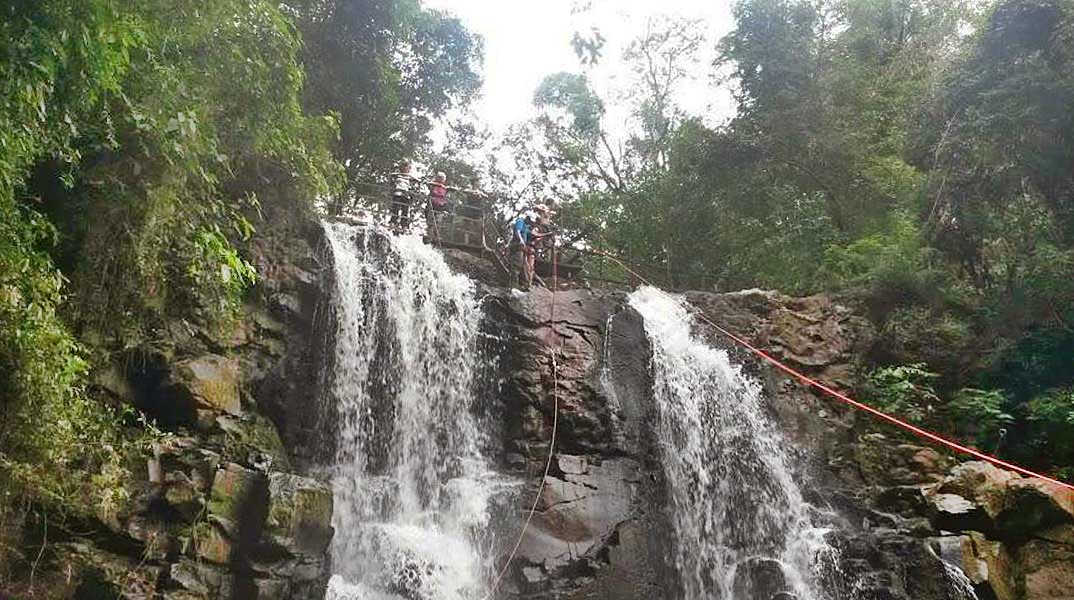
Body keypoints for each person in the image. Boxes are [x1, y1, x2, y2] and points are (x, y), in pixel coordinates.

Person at [390, 161, 417, 231]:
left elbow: (415, 181)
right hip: (398, 193)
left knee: (405, 210)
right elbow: (392, 176)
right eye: (404, 166)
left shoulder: (409, 177)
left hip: (405, 194)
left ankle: (404, 225)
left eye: (407, 167)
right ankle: (393, 222)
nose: (406, 168)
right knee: (395, 208)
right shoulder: (398, 175)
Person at [425, 172, 450, 239]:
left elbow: (445, 196)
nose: (440, 179)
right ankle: (429, 235)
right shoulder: (433, 184)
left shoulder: (444, 187)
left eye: (442, 178)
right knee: (430, 220)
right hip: (432, 203)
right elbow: (429, 186)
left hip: (440, 205)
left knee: (438, 221)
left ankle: (436, 235)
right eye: (439, 177)